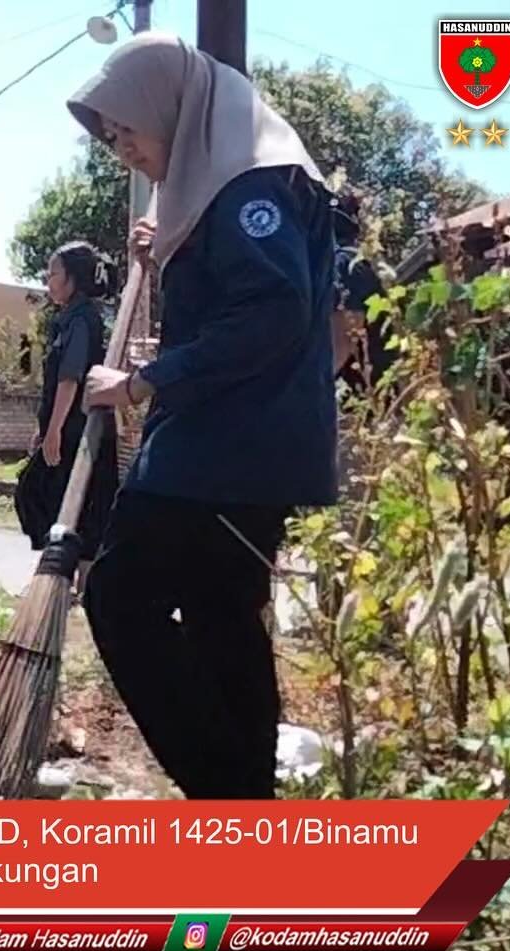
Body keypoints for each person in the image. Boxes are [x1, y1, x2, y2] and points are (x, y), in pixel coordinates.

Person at [67, 33, 338, 799]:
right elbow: (236, 293)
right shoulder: (230, 178)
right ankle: (246, 806)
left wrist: (143, 382)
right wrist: (170, 248)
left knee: (121, 598)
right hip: (242, 451)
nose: (122, 148)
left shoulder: (250, 185)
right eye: (110, 137)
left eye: (127, 127)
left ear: (173, 108)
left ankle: (226, 795)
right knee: (224, 619)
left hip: (225, 451)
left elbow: (271, 313)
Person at [13, 242, 119, 593]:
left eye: (54, 273)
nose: (48, 280)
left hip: (80, 432)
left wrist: (56, 429)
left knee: (57, 499)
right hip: (67, 429)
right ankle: (68, 582)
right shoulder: (69, 318)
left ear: (73, 278)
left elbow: (70, 378)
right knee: (54, 499)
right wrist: (44, 429)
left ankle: (76, 585)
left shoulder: (82, 319)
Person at [330, 192, 393, 390]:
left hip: (373, 391)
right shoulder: (360, 262)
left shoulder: (344, 264)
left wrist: (309, 388)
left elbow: (345, 336)